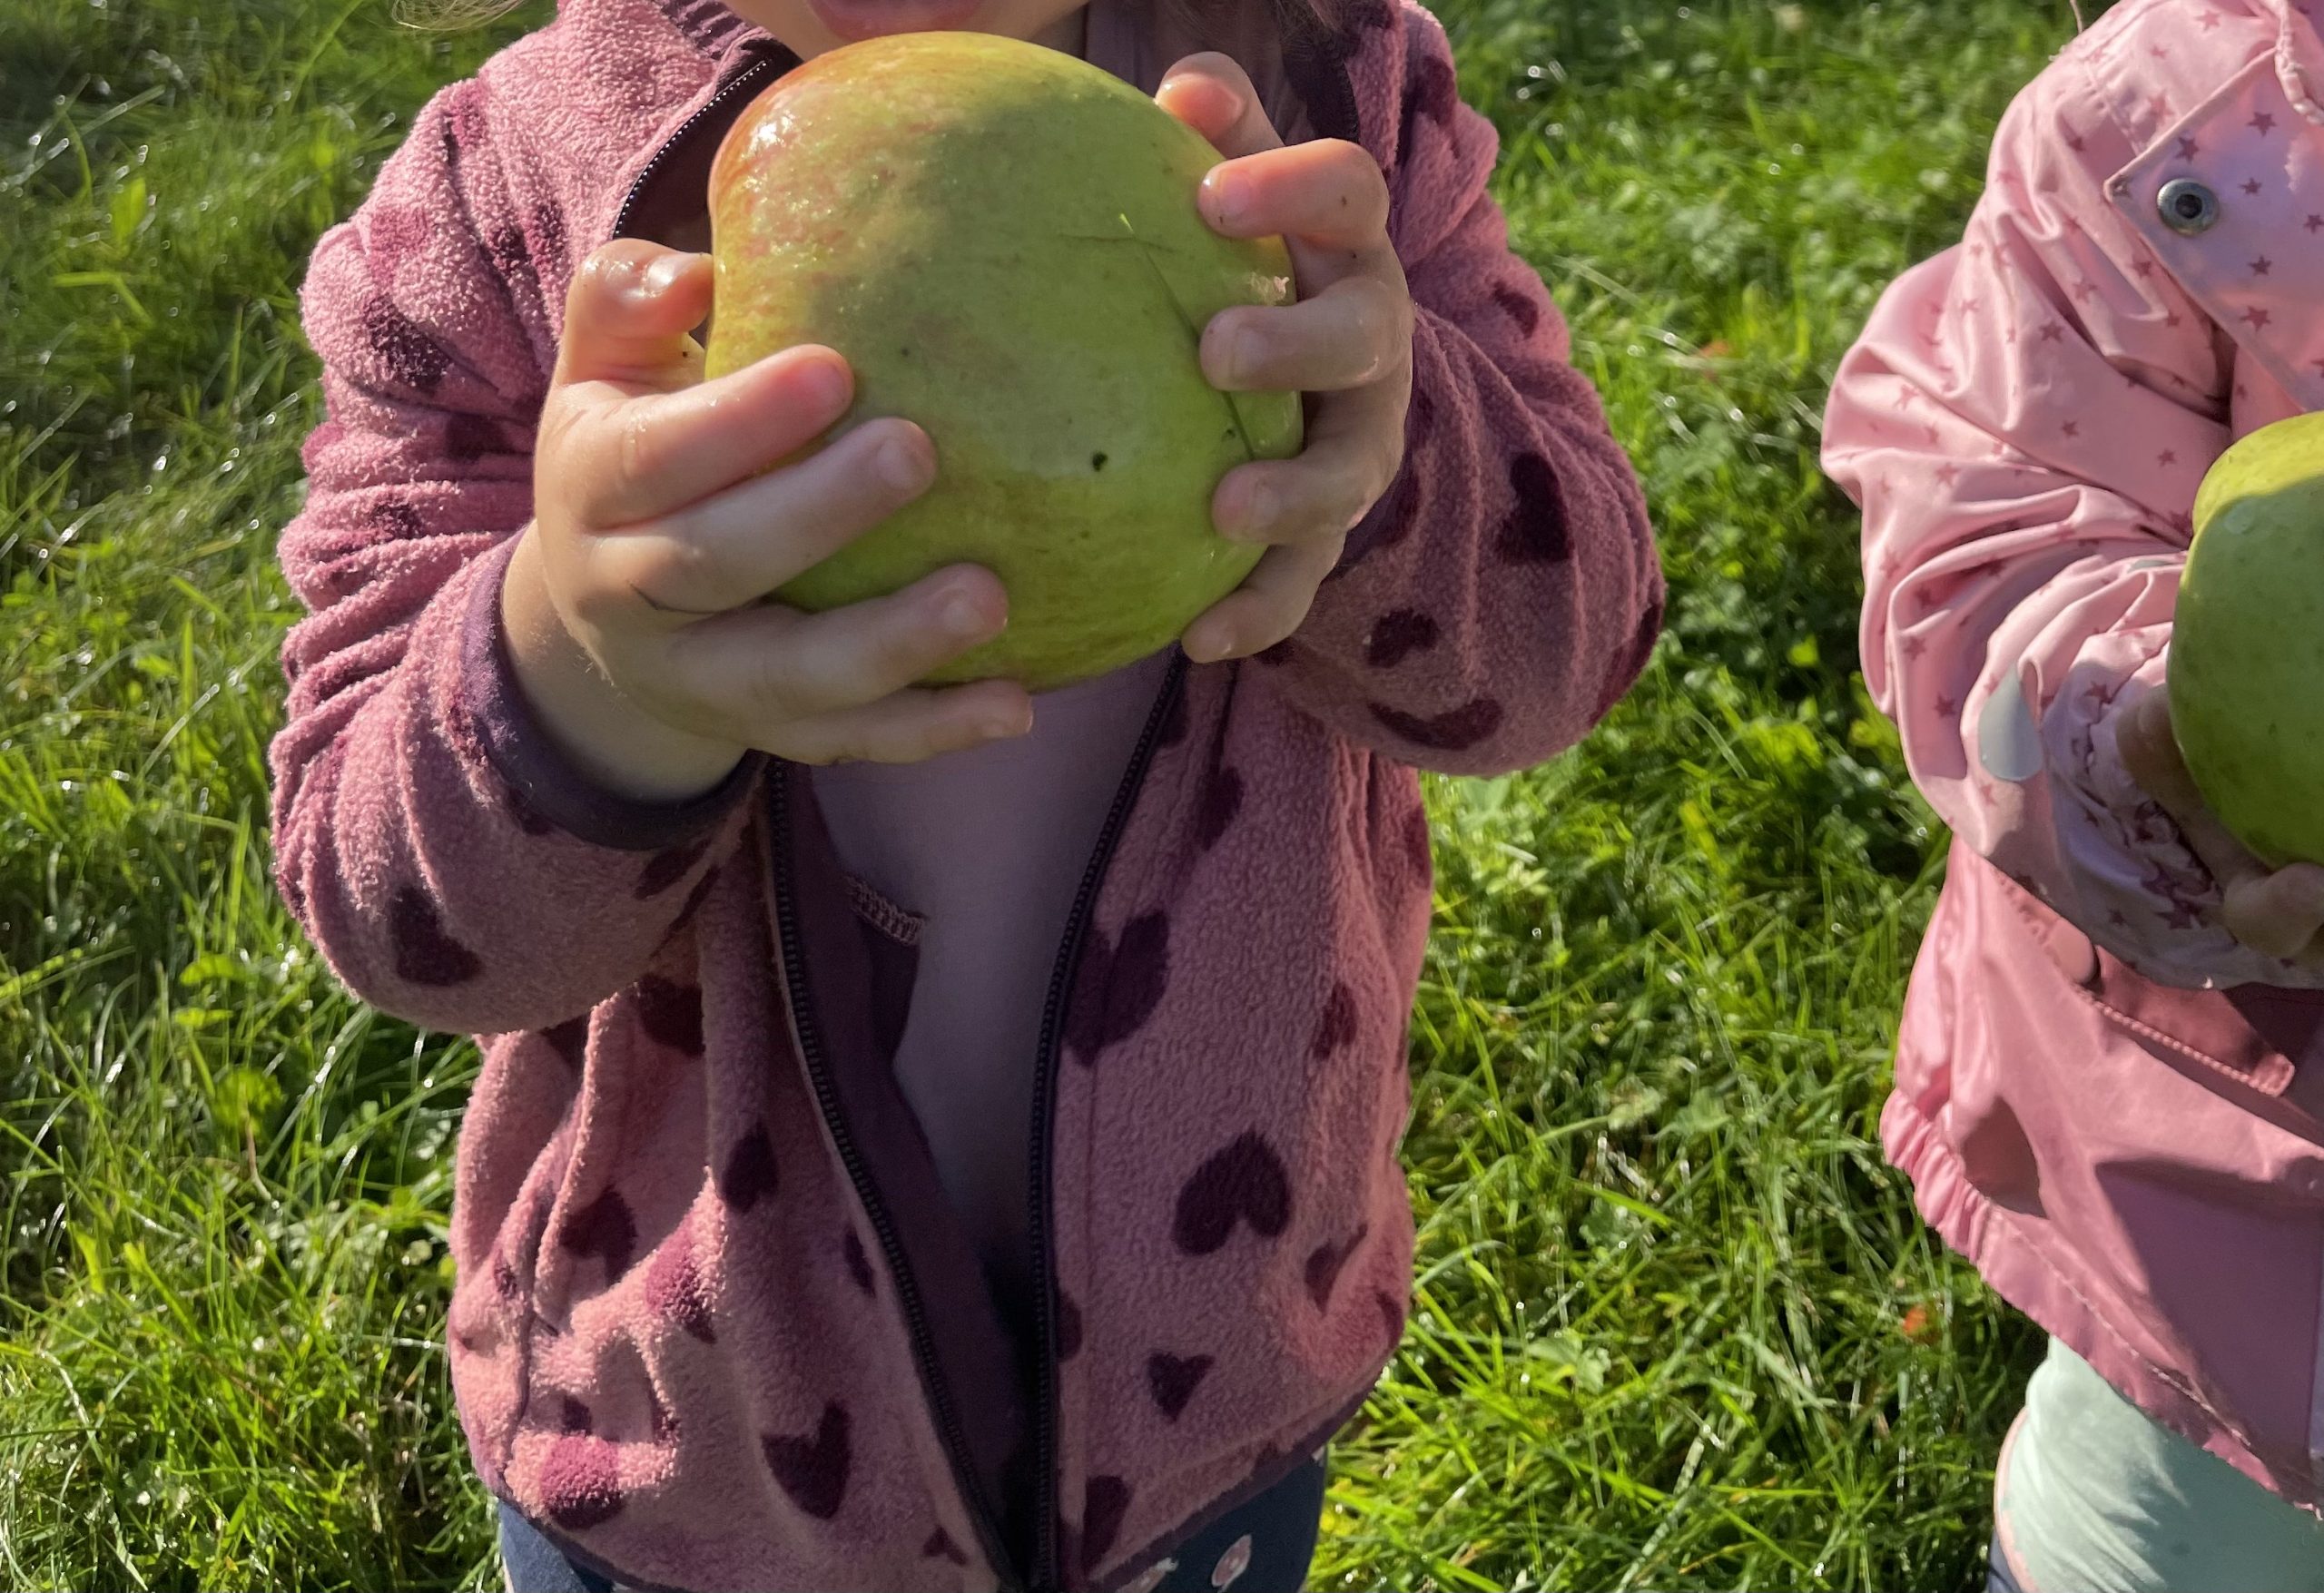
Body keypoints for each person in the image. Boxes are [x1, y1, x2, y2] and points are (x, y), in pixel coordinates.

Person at [265, 0, 1662, 1584]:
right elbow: (394, 916)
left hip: (1207, 1401)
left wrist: (1378, 454)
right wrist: (590, 666)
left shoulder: (1335, 101)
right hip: (700, 1457)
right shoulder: (499, 212)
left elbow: (1572, 645)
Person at [1824, 0, 2324, 1586]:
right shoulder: (2172, 130)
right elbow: (1990, 529)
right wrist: (2147, 738)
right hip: (2243, 1202)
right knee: (2164, 1531)